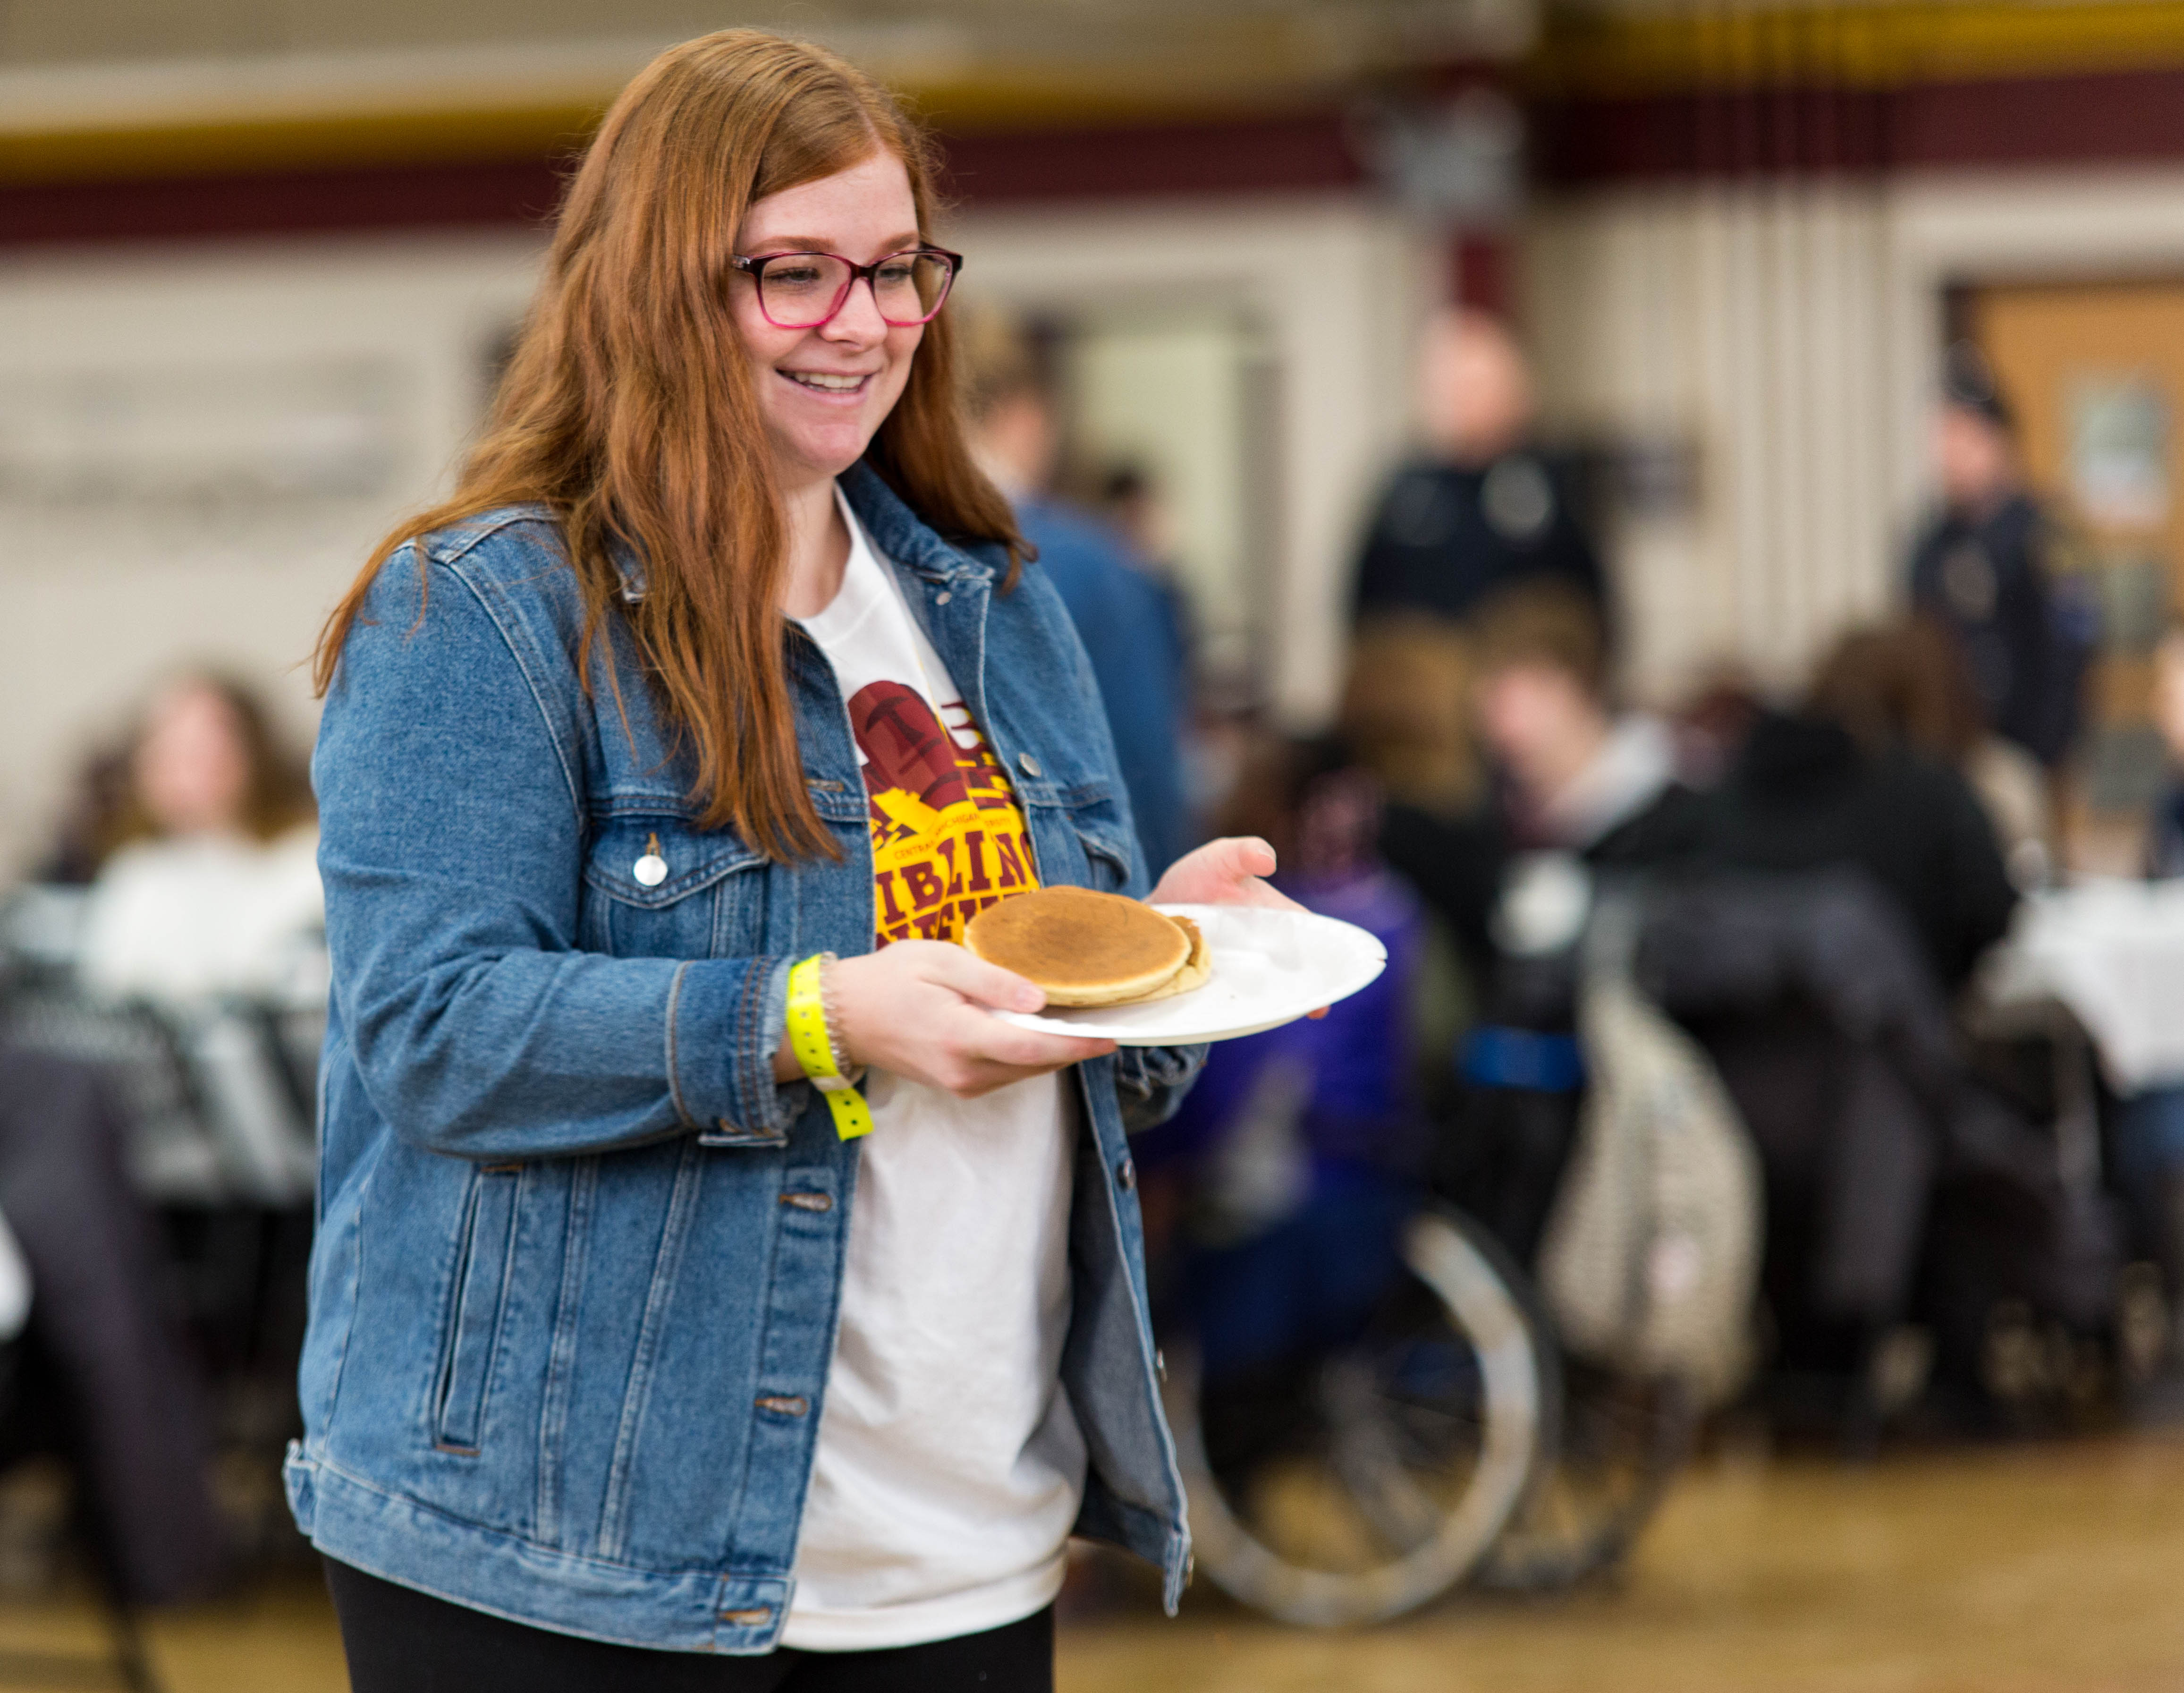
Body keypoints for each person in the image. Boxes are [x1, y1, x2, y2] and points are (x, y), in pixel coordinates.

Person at [290, 32, 1299, 1692]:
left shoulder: (993, 600)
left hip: (963, 1536)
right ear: (656, 287)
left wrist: (1163, 962)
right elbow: (437, 1029)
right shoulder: (480, 613)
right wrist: (816, 1015)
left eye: (896, 267)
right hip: (576, 1548)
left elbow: (1064, 1048)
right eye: (793, 271)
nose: (864, 320)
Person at [960, 317, 1195, 877]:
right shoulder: (1089, 562)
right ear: (1025, 414)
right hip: (1074, 884)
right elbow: (1143, 763)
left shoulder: (858, 549)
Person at [1351, 308, 1608, 630]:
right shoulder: (1404, 493)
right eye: (1451, 386)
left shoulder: (1552, 487)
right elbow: (1367, 611)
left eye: (1476, 385)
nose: (1463, 400)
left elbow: (1590, 603)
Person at [1906, 344, 2096, 773]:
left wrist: (2047, 752)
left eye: (1962, 436)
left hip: (2027, 748)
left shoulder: (2044, 534)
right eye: (1942, 438)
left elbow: (2072, 645)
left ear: (1997, 439)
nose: (1948, 454)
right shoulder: (1932, 543)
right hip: (1945, 754)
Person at [76, 673, 322, 1004]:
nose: (183, 763)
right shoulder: (137, 876)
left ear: (252, 751)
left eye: (203, 743)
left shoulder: (305, 866)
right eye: (165, 745)